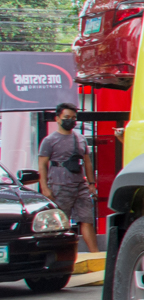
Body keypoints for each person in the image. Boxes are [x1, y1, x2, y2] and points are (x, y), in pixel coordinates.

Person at [37, 103, 96, 254]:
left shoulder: (80, 139)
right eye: (66, 117)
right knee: (60, 223)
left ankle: (95, 253)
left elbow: (87, 162)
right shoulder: (49, 141)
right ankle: (62, 255)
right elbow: (42, 165)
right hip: (59, 185)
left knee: (87, 220)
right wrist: (45, 187)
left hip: (80, 185)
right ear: (57, 119)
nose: (70, 120)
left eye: (73, 118)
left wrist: (91, 183)